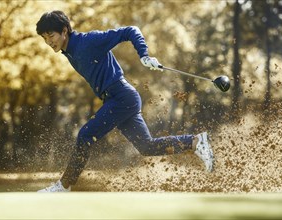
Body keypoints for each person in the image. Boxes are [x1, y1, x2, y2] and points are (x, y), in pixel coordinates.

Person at [36, 10, 214, 192]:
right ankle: (195, 142)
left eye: (51, 35)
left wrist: (144, 55)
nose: (49, 42)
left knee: (85, 135)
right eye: (45, 38)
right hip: (119, 99)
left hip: (121, 97)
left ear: (64, 30)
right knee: (147, 147)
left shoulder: (89, 41)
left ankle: (64, 186)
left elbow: (131, 30)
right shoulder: (69, 51)